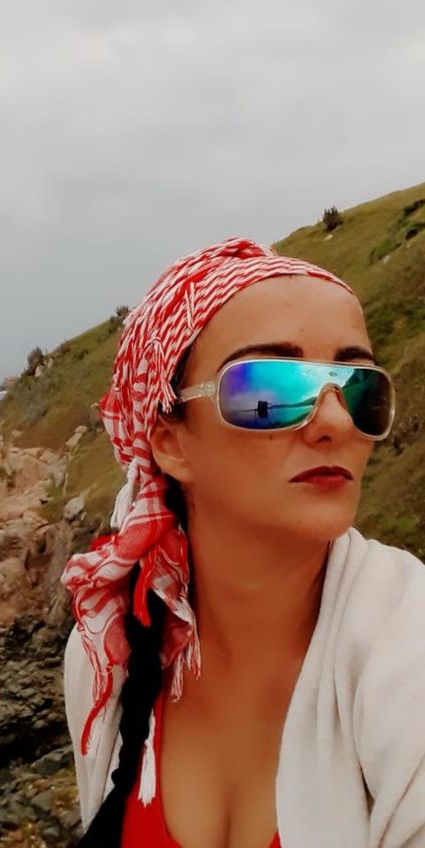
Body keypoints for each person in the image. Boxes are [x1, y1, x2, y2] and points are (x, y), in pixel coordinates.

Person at [62, 238, 425, 848]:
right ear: (170, 443)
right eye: (268, 392)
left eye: (360, 389)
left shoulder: (406, 652)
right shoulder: (105, 660)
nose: (336, 423)